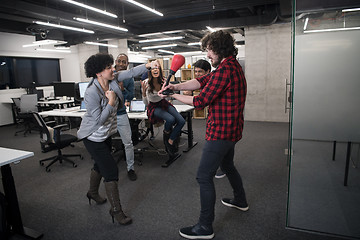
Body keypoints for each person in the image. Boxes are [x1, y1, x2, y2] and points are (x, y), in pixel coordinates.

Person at [159, 30, 248, 239]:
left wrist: (173, 95)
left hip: (221, 133)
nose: (208, 55)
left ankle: (204, 227)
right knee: (228, 166)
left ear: (219, 49)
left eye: (209, 50)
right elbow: (201, 82)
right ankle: (240, 200)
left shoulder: (226, 71)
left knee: (203, 176)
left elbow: (200, 101)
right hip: (232, 130)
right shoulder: (229, 66)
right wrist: (176, 85)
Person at [77, 52, 157, 225]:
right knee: (111, 171)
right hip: (92, 136)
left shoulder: (112, 80)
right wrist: (111, 102)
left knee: (100, 164)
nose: (113, 69)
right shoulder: (92, 92)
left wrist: (148, 66)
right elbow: (98, 120)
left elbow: (131, 73)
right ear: (98, 72)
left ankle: (92, 192)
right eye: (108, 67)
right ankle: (116, 211)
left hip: (104, 134)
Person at [141, 61, 185, 157]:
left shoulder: (164, 81)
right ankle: (166, 138)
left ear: (160, 70)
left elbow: (168, 97)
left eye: (157, 67)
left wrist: (168, 94)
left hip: (163, 103)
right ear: (150, 71)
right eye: (153, 68)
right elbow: (146, 103)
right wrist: (144, 93)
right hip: (153, 106)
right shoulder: (145, 83)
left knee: (181, 121)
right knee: (171, 119)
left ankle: (170, 140)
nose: (155, 69)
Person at [114, 53, 137, 181]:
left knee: (128, 143)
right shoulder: (108, 74)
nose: (122, 64)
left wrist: (123, 89)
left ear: (127, 64)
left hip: (121, 113)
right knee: (102, 141)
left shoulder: (129, 78)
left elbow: (130, 96)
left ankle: (130, 168)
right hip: (107, 115)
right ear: (115, 62)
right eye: (120, 61)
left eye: (124, 62)